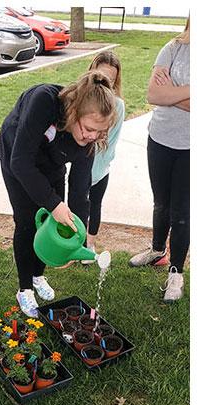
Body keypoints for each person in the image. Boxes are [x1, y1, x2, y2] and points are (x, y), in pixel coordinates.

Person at [0, 70, 118, 317]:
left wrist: (77, 241)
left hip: (52, 160)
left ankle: (38, 275)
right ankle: (24, 289)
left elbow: (79, 193)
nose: (92, 136)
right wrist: (53, 203)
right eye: (88, 128)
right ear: (75, 112)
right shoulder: (45, 101)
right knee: (27, 221)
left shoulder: (88, 143)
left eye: (99, 132)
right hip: (17, 154)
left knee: (53, 221)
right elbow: (21, 162)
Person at [129, 18, 190, 302]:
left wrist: (172, 93)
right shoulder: (172, 48)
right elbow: (154, 94)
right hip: (160, 139)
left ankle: (176, 273)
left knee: (181, 212)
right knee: (161, 203)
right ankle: (157, 250)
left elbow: (164, 95)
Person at [81, 51, 126, 263]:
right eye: (102, 76)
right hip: (78, 167)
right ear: (92, 71)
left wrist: (95, 172)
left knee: (94, 205)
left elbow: (108, 142)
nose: (106, 82)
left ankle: (89, 245)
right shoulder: (81, 98)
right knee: (76, 206)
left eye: (112, 79)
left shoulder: (117, 106)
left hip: (100, 169)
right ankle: (73, 244)